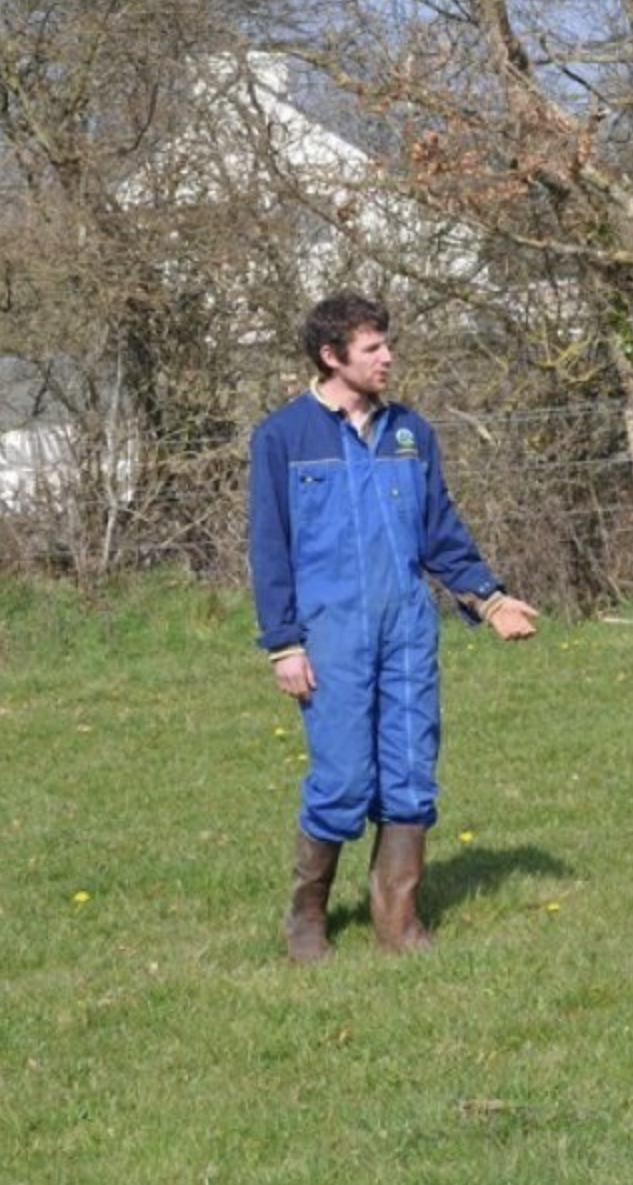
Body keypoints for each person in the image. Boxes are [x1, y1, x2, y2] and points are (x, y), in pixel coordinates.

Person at [248, 293, 539, 963]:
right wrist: (284, 644)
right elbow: (270, 547)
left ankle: (397, 922)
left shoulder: (410, 432)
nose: (388, 358)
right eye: (373, 347)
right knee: (345, 779)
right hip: (331, 635)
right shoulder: (283, 437)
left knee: (410, 771)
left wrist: (489, 601)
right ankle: (306, 919)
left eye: (387, 344)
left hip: (408, 630)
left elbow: (440, 531)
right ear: (332, 355)